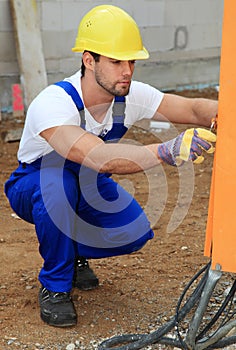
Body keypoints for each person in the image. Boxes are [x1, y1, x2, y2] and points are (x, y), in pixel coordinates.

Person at [4, 4, 217, 328]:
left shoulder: (128, 96)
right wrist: (167, 150)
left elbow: (191, 108)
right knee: (58, 186)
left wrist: (224, 111)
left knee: (133, 231)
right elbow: (98, 158)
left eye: (131, 61)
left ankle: (70, 251)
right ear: (89, 60)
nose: (127, 70)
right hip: (35, 183)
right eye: (116, 61)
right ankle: (55, 286)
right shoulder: (53, 103)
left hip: (86, 181)